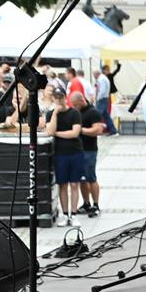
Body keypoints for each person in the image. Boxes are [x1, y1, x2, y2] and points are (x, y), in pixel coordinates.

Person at [45, 88, 84, 227]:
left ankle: (73, 214)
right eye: (56, 98)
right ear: (53, 99)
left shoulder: (74, 113)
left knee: (74, 184)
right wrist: (55, 114)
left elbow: (75, 133)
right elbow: (49, 131)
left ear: (65, 97)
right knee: (62, 185)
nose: (59, 100)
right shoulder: (50, 114)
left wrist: (57, 133)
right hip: (60, 153)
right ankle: (64, 214)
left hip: (75, 152)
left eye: (61, 97)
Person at [70, 92, 105, 217]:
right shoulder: (76, 112)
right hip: (77, 149)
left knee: (91, 178)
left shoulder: (93, 112)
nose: (73, 107)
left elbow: (98, 130)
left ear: (81, 100)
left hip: (89, 150)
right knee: (82, 179)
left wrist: (80, 130)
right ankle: (86, 203)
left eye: (75, 104)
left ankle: (96, 204)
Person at [93, 68, 116, 135]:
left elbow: (102, 90)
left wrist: (98, 98)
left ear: (96, 73)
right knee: (106, 116)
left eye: (94, 74)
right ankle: (113, 130)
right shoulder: (103, 78)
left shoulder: (101, 79)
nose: (93, 76)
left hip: (102, 99)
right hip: (104, 98)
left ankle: (97, 131)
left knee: (97, 116)